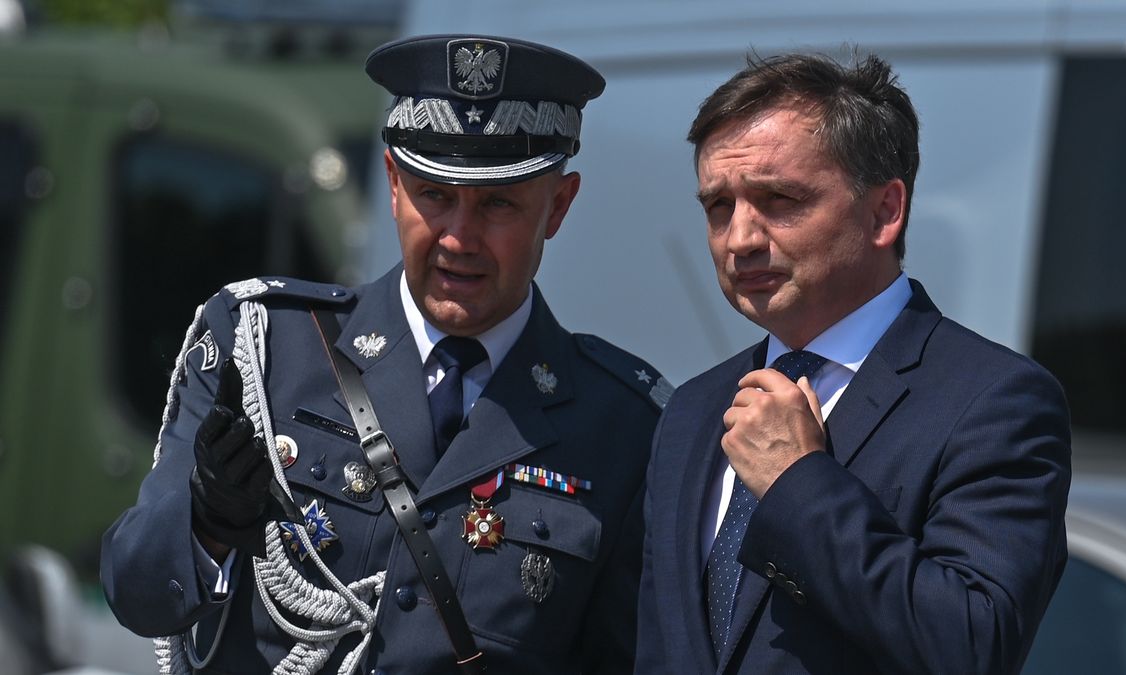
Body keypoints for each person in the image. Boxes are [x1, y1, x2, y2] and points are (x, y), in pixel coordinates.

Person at [102, 34, 668, 675]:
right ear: (394, 184)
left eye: (498, 204)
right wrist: (206, 523)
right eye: (435, 194)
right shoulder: (263, 347)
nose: (459, 237)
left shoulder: (621, 424)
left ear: (558, 206)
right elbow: (136, 592)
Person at [635, 52, 1071, 674]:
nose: (740, 239)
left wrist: (797, 483)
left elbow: (974, 643)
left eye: (778, 198)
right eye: (718, 208)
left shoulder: (995, 401)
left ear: (884, 212)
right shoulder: (694, 408)